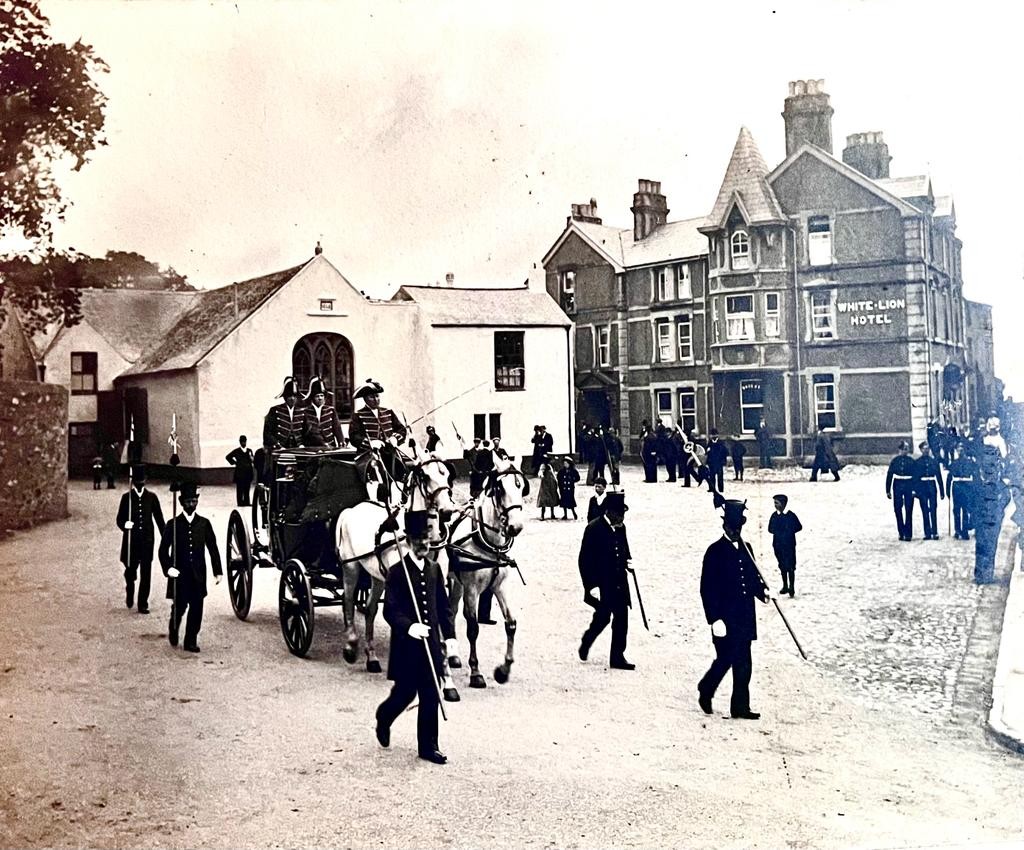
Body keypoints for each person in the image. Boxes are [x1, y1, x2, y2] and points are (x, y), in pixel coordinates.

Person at [375, 511, 454, 765]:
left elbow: (443, 607)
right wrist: (409, 627)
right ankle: (384, 716)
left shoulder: (434, 570)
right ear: (408, 540)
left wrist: (450, 637)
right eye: (418, 540)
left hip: (430, 647)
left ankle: (428, 746)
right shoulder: (398, 572)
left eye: (427, 540)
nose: (424, 545)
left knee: (431, 694)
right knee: (405, 694)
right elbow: (390, 609)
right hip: (407, 647)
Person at [697, 499, 770, 720]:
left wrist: (763, 592)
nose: (736, 532)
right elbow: (706, 588)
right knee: (726, 659)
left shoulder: (747, 549)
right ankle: (706, 688)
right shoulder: (714, 552)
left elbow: (752, 579)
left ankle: (740, 707)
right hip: (724, 619)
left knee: (744, 664)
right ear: (724, 527)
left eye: (739, 528)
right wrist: (714, 619)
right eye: (732, 528)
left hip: (745, 616)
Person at [158, 481, 222, 652]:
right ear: (180, 502)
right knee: (179, 607)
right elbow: (163, 550)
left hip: (198, 575)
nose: (191, 505)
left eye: (194, 501)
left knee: (197, 609)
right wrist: (168, 568)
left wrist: (218, 571)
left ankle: (190, 640)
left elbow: (213, 548)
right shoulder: (173, 525)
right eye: (187, 501)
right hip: (179, 575)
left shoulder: (204, 524)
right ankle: (173, 626)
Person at [578, 492, 635, 670]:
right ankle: (587, 641)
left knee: (622, 619)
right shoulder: (593, 528)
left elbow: (624, 547)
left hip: (619, 581)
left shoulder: (620, 527)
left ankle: (617, 657)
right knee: (603, 618)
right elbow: (584, 561)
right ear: (610, 512)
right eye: (619, 514)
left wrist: (629, 561)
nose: (622, 517)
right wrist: (591, 586)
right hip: (602, 584)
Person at [115, 464, 166, 614]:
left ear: (146, 480)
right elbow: (119, 519)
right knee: (131, 570)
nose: (140, 483)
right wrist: (126, 524)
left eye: (142, 480)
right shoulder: (126, 498)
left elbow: (159, 519)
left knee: (146, 572)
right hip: (131, 541)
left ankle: (143, 602)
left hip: (147, 541)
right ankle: (130, 588)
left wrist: (166, 538)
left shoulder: (152, 498)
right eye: (137, 481)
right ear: (133, 481)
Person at [347, 378, 407, 499]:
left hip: (390, 453)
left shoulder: (388, 412)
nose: (376, 400)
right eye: (372, 397)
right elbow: (354, 436)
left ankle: (399, 501)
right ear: (365, 399)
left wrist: (395, 439)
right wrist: (370, 443)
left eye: (377, 396)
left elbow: (401, 430)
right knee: (374, 474)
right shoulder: (358, 415)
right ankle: (375, 500)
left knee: (403, 472)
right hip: (369, 455)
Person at [974, 443, 1011, 584]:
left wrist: (998, 509)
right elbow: (972, 498)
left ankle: (986, 574)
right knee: (981, 545)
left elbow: (1006, 496)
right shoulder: (979, 480)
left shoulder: (998, 483)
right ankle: (980, 574)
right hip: (982, 517)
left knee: (989, 545)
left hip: (993, 518)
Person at [768, 494, 802, 598]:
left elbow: (799, 526)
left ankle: (792, 586)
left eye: (777, 503)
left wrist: (789, 531)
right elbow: (770, 529)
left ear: (783, 504)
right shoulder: (774, 516)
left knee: (791, 565)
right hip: (778, 544)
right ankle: (785, 585)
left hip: (789, 544)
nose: (775, 505)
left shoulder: (790, 515)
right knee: (782, 564)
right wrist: (778, 531)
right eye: (774, 503)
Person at [263, 376, 306, 452]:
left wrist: (302, 445)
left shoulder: (302, 412)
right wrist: (277, 445)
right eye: (290, 396)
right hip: (280, 449)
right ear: (285, 397)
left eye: (294, 396)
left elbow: (307, 432)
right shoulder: (274, 410)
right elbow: (267, 433)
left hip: (298, 450)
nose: (292, 398)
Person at [912, 441, 945, 540]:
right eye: (924, 448)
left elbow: (939, 477)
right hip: (922, 488)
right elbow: (915, 478)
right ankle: (927, 533)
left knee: (933, 509)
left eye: (927, 448)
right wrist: (915, 490)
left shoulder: (934, 462)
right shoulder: (917, 462)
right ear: (921, 450)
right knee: (925, 510)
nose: (926, 450)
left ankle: (935, 532)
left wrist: (942, 492)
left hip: (932, 487)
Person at [885, 441, 917, 541]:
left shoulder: (911, 461)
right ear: (900, 450)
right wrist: (888, 490)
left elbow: (916, 477)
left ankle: (908, 533)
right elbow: (889, 475)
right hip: (897, 485)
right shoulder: (895, 461)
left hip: (909, 485)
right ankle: (901, 531)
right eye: (904, 449)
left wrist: (914, 489)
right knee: (898, 509)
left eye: (907, 449)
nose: (905, 451)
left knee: (908, 509)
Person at [946, 442, 978, 540]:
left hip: (967, 488)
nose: (960, 450)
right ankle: (957, 530)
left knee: (965, 510)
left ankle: (964, 531)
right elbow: (949, 478)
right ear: (956, 450)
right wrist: (947, 492)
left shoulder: (970, 463)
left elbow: (976, 476)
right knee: (956, 510)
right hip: (956, 488)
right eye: (958, 448)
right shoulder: (953, 463)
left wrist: (974, 489)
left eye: (962, 448)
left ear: (965, 450)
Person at [302, 376, 344, 448]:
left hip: (330, 448)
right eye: (317, 396)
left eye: (322, 395)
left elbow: (337, 428)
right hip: (312, 448)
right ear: (312, 397)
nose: (320, 398)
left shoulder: (331, 410)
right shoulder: (306, 412)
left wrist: (341, 442)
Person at [225, 435, 255, 507]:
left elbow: (252, 460)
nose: (244, 443)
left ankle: (247, 502)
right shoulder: (237, 451)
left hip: (248, 472)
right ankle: (240, 502)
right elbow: (228, 457)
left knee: (247, 488)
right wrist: (234, 463)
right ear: (240, 442)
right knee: (240, 488)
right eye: (242, 442)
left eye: (244, 441)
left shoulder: (249, 451)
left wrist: (252, 459)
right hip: (240, 473)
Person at [706, 429, 729, 494]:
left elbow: (725, 452)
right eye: (712, 435)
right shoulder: (710, 443)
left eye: (715, 435)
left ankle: (721, 489)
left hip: (719, 463)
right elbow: (707, 453)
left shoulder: (721, 443)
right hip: (712, 463)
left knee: (720, 476)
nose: (713, 436)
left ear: (717, 435)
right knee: (711, 476)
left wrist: (724, 461)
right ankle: (712, 488)